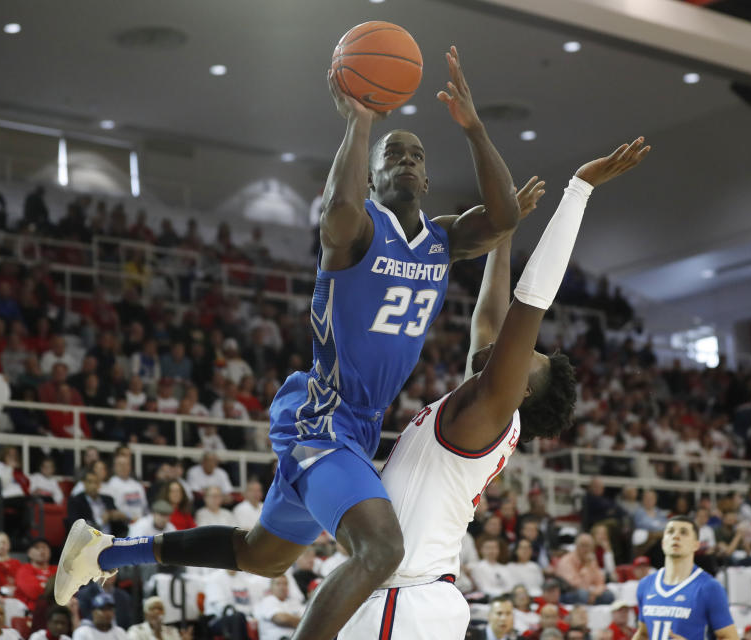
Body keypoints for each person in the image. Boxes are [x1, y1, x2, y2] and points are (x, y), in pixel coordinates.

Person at [56, 45, 525, 640]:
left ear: (428, 178)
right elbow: (338, 209)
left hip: (356, 427)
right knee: (380, 551)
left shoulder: (442, 239)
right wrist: (360, 123)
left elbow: (506, 217)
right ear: (376, 176)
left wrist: (475, 128)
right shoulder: (358, 230)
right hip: (320, 419)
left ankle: (104, 553)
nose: (405, 160)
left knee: (263, 556)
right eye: (393, 155)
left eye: (416, 155)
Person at [340, 140, 649, 639]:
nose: (511, 344)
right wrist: (503, 232)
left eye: (526, 354)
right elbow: (490, 316)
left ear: (521, 392)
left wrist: (579, 189)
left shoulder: (491, 413)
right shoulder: (475, 411)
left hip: (406, 600)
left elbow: (530, 303)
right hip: (407, 596)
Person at [632, 517, 739, 640]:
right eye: (670, 531)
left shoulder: (709, 587)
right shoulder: (646, 584)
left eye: (683, 532)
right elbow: (643, 634)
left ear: (696, 545)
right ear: (663, 543)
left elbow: (730, 637)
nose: (676, 536)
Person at [254, 575, 304, 640]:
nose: (282, 587)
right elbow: (281, 619)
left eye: (285, 584)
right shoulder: (268, 601)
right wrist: (301, 622)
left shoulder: (294, 603)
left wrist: (296, 621)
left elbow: (308, 622)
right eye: (278, 584)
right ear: (271, 587)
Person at [15, 539, 57, 610]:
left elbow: (68, 591)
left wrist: (43, 585)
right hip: (33, 611)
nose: (41, 550)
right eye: (37, 548)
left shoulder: (57, 569)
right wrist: (52, 587)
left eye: (44, 547)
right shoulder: (24, 570)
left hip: (57, 609)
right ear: (29, 553)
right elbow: (34, 592)